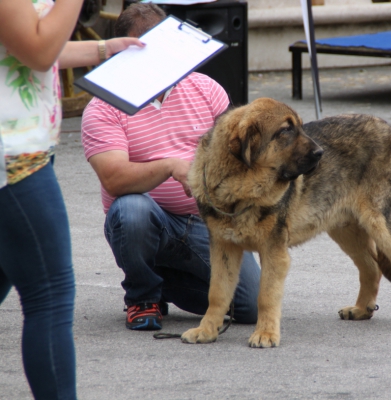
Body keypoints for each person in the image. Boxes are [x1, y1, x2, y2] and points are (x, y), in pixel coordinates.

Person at [81, 3, 261, 332]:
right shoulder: (103, 105)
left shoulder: (206, 88)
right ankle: (142, 295)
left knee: (249, 306)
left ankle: (158, 280)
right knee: (131, 210)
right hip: (144, 218)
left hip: (207, 220)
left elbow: (237, 159)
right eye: (145, 47)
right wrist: (169, 166)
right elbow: (114, 179)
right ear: (123, 52)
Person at [0, 0, 144, 399]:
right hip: (13, 159)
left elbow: (24, 45)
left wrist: (103, 50)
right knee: (50, 294)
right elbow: (38, 49)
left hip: (20, 152)